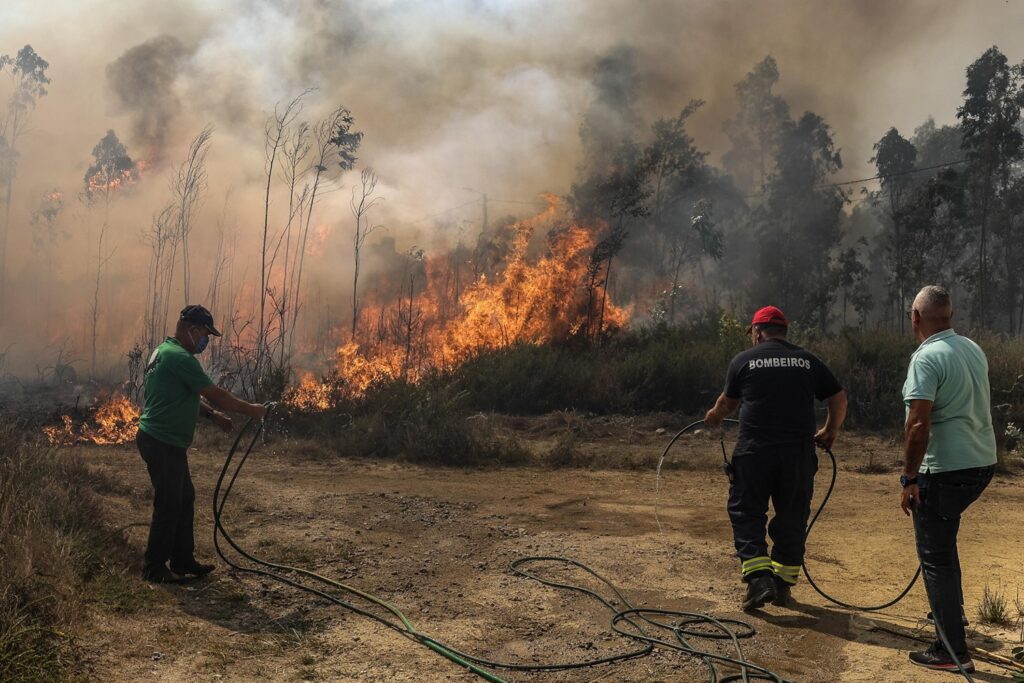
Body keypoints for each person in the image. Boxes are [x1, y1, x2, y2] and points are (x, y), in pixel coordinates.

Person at [704, 305, 847, 610]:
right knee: (793, 518)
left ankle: (759, 581)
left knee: (746, 512)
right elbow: (838, 397)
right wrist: (830, 430)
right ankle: (781, 586)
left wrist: (714, 416)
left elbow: (728, 403)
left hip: (755, 453)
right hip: (797, 455)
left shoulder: (744, 360)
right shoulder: (808, 361)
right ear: (783, 332)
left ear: (757, 332)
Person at [900, 285, 996, 674]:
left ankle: (951, 651)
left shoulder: (926, 358)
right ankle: (952, 618)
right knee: (943, 541)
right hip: (981, 464)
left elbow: (918, 425)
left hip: (945, 470)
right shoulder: (971, 348)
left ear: (916, 317)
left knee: (935, 557)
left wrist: (909, 478)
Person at [137, 304, 267, 583]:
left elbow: (181, 395)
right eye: (205, 333)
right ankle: (154, 568)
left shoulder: (162, 351)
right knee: (169, 502)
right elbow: (215, 393)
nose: (206, 340)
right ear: (191, 329)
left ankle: (182, 560)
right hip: (161, 440)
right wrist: (252, 410)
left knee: (184, 497)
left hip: (161, 439)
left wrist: (211, 414)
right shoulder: (181, 358)